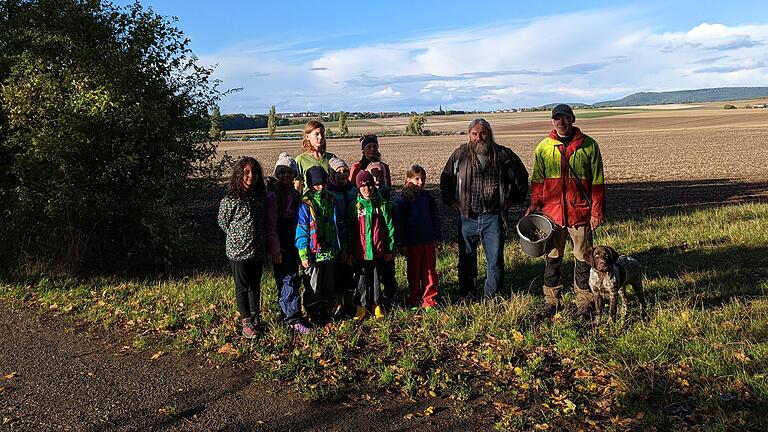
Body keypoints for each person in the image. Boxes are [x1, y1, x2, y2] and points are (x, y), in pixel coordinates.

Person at [527, 104, 605, 318]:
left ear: (573, 119)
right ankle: (552, 302)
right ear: (552, 121)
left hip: (580, 213)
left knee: (582, 258)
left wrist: (596, 212)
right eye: (557, 119)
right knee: (553, 257)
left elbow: (598, 182)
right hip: (552, 215)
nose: (561, 122)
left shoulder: (589, 146)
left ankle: (584, 302)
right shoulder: (543, 147)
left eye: (565, 118)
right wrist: (534, 205)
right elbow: (537, 181)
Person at [440, 118, 529, 301]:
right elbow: (446, 178)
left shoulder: (504, 155)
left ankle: (492, 296)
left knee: (495, 260)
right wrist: (451, 202)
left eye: (482, 133)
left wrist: (514, 200)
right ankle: (468, 294)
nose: (478, 137)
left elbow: (522, 177)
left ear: (489, 134)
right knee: (466, 259)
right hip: (467, 216)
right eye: (474, 134)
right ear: (469, 135)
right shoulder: (460, 155)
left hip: (493, 217)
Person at [218, 156, 269, 338]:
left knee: (255, 286)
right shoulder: (230, 200)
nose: (250, 176)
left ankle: (256, 318)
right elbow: (223, 223)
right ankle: (246, 322)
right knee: (242, 287)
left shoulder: (261, 198)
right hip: (238, 252)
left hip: (258, 249)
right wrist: (237, 238)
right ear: (238, 175)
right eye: (246, 172)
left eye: (254, 172)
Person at [266, 153, 312, 334]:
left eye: (289, 172)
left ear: (294, 175)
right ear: (277, 173)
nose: (286, 175)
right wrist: (275, 249)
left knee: (291, 278)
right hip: (280, 242)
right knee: (287, 279)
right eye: (282, 172)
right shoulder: (273, 196)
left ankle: (287, 312)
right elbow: (270, 225)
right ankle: (292, 318)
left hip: (293, 241)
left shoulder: (294, 194)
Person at [295, 166, 343, 325]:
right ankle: (313, 312)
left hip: (330, 250)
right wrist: (303, 253)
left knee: (329, 283)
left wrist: (341, 247)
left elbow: (338, 225)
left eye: (323, 183)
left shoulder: (331, 199)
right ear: (310, 184)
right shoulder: (305, 203)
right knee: (313, 284)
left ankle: (327, 310)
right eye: (316, 184)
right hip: (313, 252)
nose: (320, 187)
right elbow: (301, 229)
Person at [346, 171, 396, 320]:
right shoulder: (354, 207)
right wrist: (348, 251)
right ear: (358, 189)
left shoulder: (381, 206)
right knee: (360, 280)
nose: (367, 189)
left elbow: (389, 228)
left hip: (378, 250)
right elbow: (349, 230)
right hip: (360, 252)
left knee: (375, 279)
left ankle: (376, 304)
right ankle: (361, 306)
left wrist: (389, 248)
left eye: (369, 185)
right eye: (363, 187)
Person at [395, 165, 441, 311]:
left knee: (429, 271)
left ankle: (429, 299)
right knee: (414, 272)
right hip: (412, 242)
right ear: (409, 179)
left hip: (427, 241)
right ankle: (414, 298)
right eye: (417, 179)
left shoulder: (427, 197)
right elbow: (399, 222)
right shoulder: (404, 199)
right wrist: (401, 242)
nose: (421, 182)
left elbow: (435, 218)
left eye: (423, 179)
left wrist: (438, 237)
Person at [327, 156, 358, 318]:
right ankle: (338, 304)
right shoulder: (328, 192)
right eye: (338, 172)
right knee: (337, 274)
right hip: (335, 238)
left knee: (350, 271)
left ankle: (350, 303)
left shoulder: (353, 190)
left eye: (345, 171)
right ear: (331, 174)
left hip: (352, 235)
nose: (342, 175)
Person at [295, 120, 336, 192]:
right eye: (316, 134)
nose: (320, 137)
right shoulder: (300, 160)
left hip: (329, 201)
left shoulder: (331, 158)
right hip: (310, 201)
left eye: (322, 134)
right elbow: (298, 185)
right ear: (307, 136)